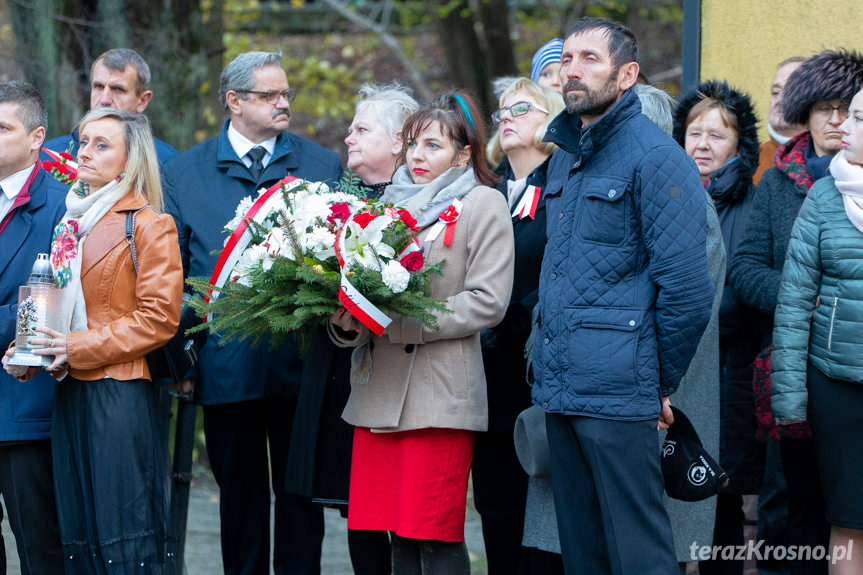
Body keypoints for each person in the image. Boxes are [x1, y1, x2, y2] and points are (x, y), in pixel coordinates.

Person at [532, 17, 714, 575]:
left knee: (640, 556)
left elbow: (686, 291)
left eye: (591, 58)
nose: (574, 70)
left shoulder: (656, 158)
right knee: (582, 555)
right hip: (561, 390)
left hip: (621, 394)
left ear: (628, 73)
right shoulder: (564, 153)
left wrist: (655, 382)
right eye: (567, 59)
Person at [162, 51, 342, 575]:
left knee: (300, 502)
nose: (283, 103)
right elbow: (176, 274)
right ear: (234, 101)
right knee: (238, 503)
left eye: (286, 94)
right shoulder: (184, 172)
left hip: (301, 364)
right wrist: (185, 362)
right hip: (224, 366)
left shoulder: (321, 165)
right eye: (270, 95)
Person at [329, 91, 515, 574]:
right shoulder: (384, 208)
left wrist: (404, 319)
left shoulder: (482, 203)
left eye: (432, 146)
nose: (416, 156)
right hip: (379, 395)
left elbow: (488, 300)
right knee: (390, 536)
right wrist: (348, 319)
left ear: (463, 153)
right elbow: (365, 295)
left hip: (439, 397)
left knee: (431, 534)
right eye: (412, 144)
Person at [4, 107, 182, 574]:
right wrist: (27, 350)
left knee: (124, 537)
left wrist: (75, 348)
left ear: (129, 160)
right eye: (83, 142)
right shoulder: (71, 222)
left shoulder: (147, 223)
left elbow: (160, 318)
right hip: (70, 392)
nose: (84, 152)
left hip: (118, 392)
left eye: (101, 145)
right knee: (78, 534)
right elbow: (56, 305)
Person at [729, 48, 863, 575]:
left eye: (846, 109)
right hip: (794, 370)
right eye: (824, 108)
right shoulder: (780, 180)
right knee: (796, 511)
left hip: (848, 362)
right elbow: (743, 268)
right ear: (805, 113)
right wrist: (807, 295)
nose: (835, 121)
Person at [285, 83, 418, 575]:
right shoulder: (332, 203)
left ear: (399, 139)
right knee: (358, 513)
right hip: (341, 372)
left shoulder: (424, 206)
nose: (348, 137)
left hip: (400, 383)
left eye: (362, 129)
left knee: (401, 519)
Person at [771, 86, 863, 575]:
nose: (843, 128)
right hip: (838, 385)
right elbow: (794, 301)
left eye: (859, 118)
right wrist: (789, 398)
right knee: (848, 522)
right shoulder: (825, 195)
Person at [673, 80, 761, 575]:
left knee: (721, 497)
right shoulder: (668, 198)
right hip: (677, 373)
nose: (702, 145)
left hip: (730, 376)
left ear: (739, 145)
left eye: (717, 136)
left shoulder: (750, 204)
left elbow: (736, 295)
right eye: (694, 133)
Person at [477, 77, 563, 575]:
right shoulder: (489, 193)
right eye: (503, 111)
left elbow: (556, 275)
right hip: (485, 379)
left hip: (534, 378)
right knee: (496, 509)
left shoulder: (564, 187)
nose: (507, 116)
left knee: (539, 519)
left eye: (523, 108)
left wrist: (500, 324)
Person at [0, 81, 66, 575]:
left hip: (24, 406)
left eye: (2, 127)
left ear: (36, 136)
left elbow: (41, 308)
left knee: (40, 550)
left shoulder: (63, 207)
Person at [43, 49, 178, 165]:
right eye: (99, 87)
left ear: (142, 101)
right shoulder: (49, 157)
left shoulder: (167, 163)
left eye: (118, 89)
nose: (104, 100)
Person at [754, 58, 805, 185]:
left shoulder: (834, 160)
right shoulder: (748, 162)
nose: (780, 100)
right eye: (775, 92)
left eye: (791, 91)